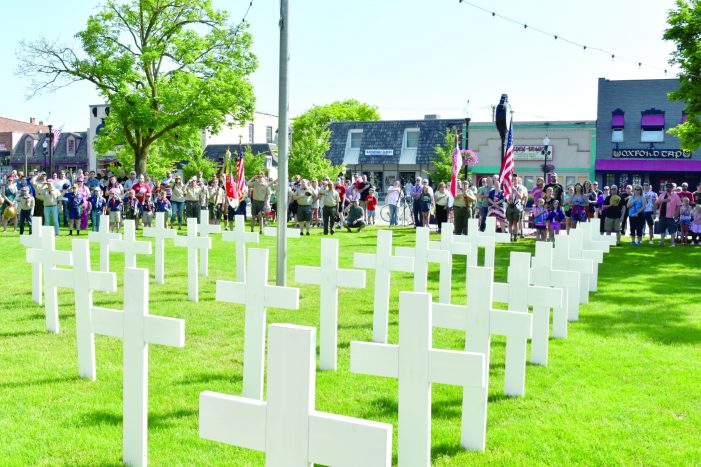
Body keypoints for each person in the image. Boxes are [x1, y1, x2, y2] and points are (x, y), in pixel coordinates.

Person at [655, 182, 682, 247]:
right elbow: (656, 203)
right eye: (667, 187)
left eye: (670, 187)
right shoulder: (662, 195)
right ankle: (662, 242)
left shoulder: (675, 196)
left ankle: (672, 243)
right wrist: (664, 201)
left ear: (672, 188)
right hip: (662, 215)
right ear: (665, 188)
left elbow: (679, 206)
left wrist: (677, 214)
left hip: (671, 216)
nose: (668, 188)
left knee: (672, 230)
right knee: (662, 229)